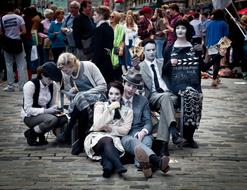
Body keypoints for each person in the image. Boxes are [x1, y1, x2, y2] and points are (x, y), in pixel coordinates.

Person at [163, 19, 227, 148]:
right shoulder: (170, 47)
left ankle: (189, 137)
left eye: (183, 28)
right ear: (175, 30)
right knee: (190, 95)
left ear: (188, 30)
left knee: (195, 95)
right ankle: (184, 135)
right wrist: (170, 63)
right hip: (176, 83)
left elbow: (203, 67)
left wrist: (219, 56)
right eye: (178, 28)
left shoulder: (195, 47)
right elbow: (163, 71)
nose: (180, 31)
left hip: (193, 83)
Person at [121, 68, 170, 178]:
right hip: (125, 135)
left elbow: (148, 121)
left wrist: (143, 132)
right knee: (133, 142)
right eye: (129, 85)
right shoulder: (116, 99)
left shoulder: (142, 100)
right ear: (123, 83)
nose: (131, 89)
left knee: (147, 141)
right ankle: (157, 162)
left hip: (140, 132)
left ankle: (143, 166)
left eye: (134, 87)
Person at [139, 39, 184, 157]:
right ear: (143, 51)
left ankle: (163, 145)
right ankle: (174, 131)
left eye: (153, 49)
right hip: (153, 97)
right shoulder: (140, 66)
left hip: (169, 94)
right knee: (165, 98)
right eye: (148, 50)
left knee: (166, 102)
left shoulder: (162, 62)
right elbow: (134, 80)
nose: (152, 52)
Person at [57, 52, 107, 155]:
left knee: (80, 96)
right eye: (63, 70)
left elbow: (103, 86)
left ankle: (68, 131)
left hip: (98, 97)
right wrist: (71, 92)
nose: (65, 73)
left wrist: (83, 93)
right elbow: (70, 96)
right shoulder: (66, 75)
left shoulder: (89, 66)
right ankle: (81, 142)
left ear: (73, 64)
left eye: (66, 70)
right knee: (81, 104)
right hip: (81, 104)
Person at [84, 81, 133, 178]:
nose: (113, 97)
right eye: (111, 93)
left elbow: (125, 130)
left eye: (117, 94)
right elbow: (97, 126)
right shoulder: (100, 106)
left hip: (115, 140)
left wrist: (109, 128)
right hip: (96, 138)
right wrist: (109, 109)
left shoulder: (128, 111)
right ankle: (118, 164)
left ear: (121, 94)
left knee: (109, 146)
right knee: (107, 140)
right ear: (108, 94)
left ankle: (107, 169)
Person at [21, 62, 67, 146]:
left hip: (45, 114)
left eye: (52, 79)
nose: (51, 81)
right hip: (30, 117)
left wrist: (56, 109)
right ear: (42, 75)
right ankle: (31, 133)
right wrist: (47, 111)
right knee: (52, 119)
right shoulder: (30, 85)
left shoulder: (53, 85)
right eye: (49, 79)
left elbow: (52, 104)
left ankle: (40, 132)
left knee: (64, 118)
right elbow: (28, 110)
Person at [0, 3, 28, 92]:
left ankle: (10, 86)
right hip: (18, 43)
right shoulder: (19, 18)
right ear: (14, 9)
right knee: (21, 65)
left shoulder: (2, 19)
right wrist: (17, 34)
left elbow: (0, 33)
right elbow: (24, 31)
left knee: (8, 65)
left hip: (7, 44)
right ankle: (22, 86)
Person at [205, 9, 228, 86]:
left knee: (214, 62)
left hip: (210, 45)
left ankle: (216, 78)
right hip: (220, 44)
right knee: (217, 62)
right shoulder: (223, 23)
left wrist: (207, 45)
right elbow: (225, 36)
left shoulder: (209, 23)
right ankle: (214, 79)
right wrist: (224, 47)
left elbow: (207, 35)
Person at [91, 6, 114, 83]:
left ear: (101, 16)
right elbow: (110, 46)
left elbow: (97, 48)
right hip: (107, 59)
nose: (93, 16)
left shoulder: (99, 29)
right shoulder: (109, 28)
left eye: (95, 14)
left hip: (100, 61)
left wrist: (93, 61)